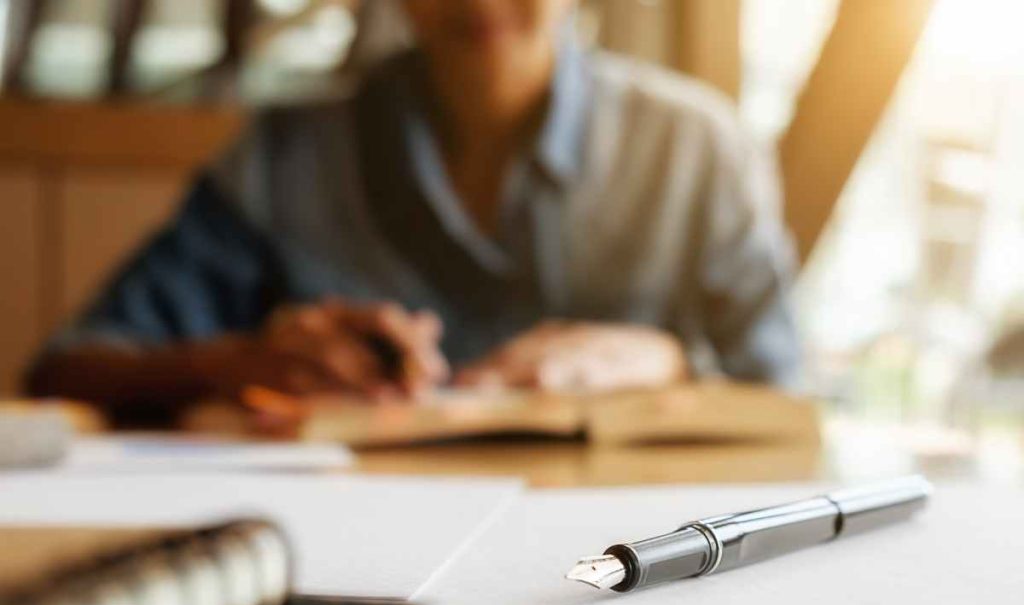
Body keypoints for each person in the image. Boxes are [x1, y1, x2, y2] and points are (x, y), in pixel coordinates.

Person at [26, 0, 801, 423]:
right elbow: (68, 367)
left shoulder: (694, 148)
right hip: (343, 569)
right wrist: (239, 364)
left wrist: (666, 361)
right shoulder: (285, 157)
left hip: (627, 572)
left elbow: (792, 402)